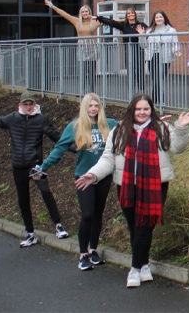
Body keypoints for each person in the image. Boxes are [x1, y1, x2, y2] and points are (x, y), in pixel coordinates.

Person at [76, 94, 189, 288]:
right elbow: (108, 159)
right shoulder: (119, 131)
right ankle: (145, 264)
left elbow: (178, 148)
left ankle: (135, 269)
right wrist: (93, 175)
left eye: (146, 109)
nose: (142, 112)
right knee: (134, 227)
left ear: (151, 110)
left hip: (155, 186)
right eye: (138, 109)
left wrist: (181, 128)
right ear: (132, 109)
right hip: (126, 186)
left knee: (144, 227)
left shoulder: (162, 128)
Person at [0, 90, 68, 247]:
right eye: (25, 104)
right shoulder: (13, 118)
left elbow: (58, 139)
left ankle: (58, 226)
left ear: (35, 105)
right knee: (23, 200)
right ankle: (30, 234)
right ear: (20, 105)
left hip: (35, 165)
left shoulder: (41, 120)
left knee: (45, 191)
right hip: (18, 166)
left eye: (31, 104)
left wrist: (79, 147)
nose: (28, 107)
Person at [37, 93, 118, 271]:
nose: (93, 109)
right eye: (90, 106)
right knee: (87, 214)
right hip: (84, 177)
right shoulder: (75, 127)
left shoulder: (110, 124)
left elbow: (130, 129)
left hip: (104, 176)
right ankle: (83, 254)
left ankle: (93, 250)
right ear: (84, 108)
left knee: (98, 214)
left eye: (96, 106)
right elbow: (60, 148)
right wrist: (43, 167)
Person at [45, 0, 102, 93]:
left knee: (92, 71)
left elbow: (110, 21)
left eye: (86, 11)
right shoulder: (77, 21)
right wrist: (52, 6)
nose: (84, 13)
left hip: (92, 47)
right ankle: (81, 91)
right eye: (83, 12)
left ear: (89, 12)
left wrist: (126, 20)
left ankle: (92, 91)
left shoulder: (94, 21)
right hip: (82, 47)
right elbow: (65, 14)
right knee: (82, 71)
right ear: (80, 13)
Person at [96, 8, 149, 93]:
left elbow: (150, 32)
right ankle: (131, 92)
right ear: (126, 16)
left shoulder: (141, 25)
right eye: (128, 13)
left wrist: (143, 34)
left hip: (139, 50)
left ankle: (141, 91)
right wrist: (100, 18)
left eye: (132, 13)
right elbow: (112, 23)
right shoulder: (124, 25)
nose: (131, 14)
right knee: (130, 71)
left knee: (140, 71)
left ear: (135, 14)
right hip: (128, 50)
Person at [137, 10, 182, 105]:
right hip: (152, 57)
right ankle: (156, 101)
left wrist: (176, 51)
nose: (159, 19)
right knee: (155, 79)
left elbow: (175, 43)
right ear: (154, 19)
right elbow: (143, 45)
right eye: (157, 17)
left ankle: (158, 101)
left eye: (160, 17)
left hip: (165, 57)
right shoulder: (150, 30)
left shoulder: (171, 30)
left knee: (159, 79)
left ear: (164, 18)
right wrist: (141, 35)